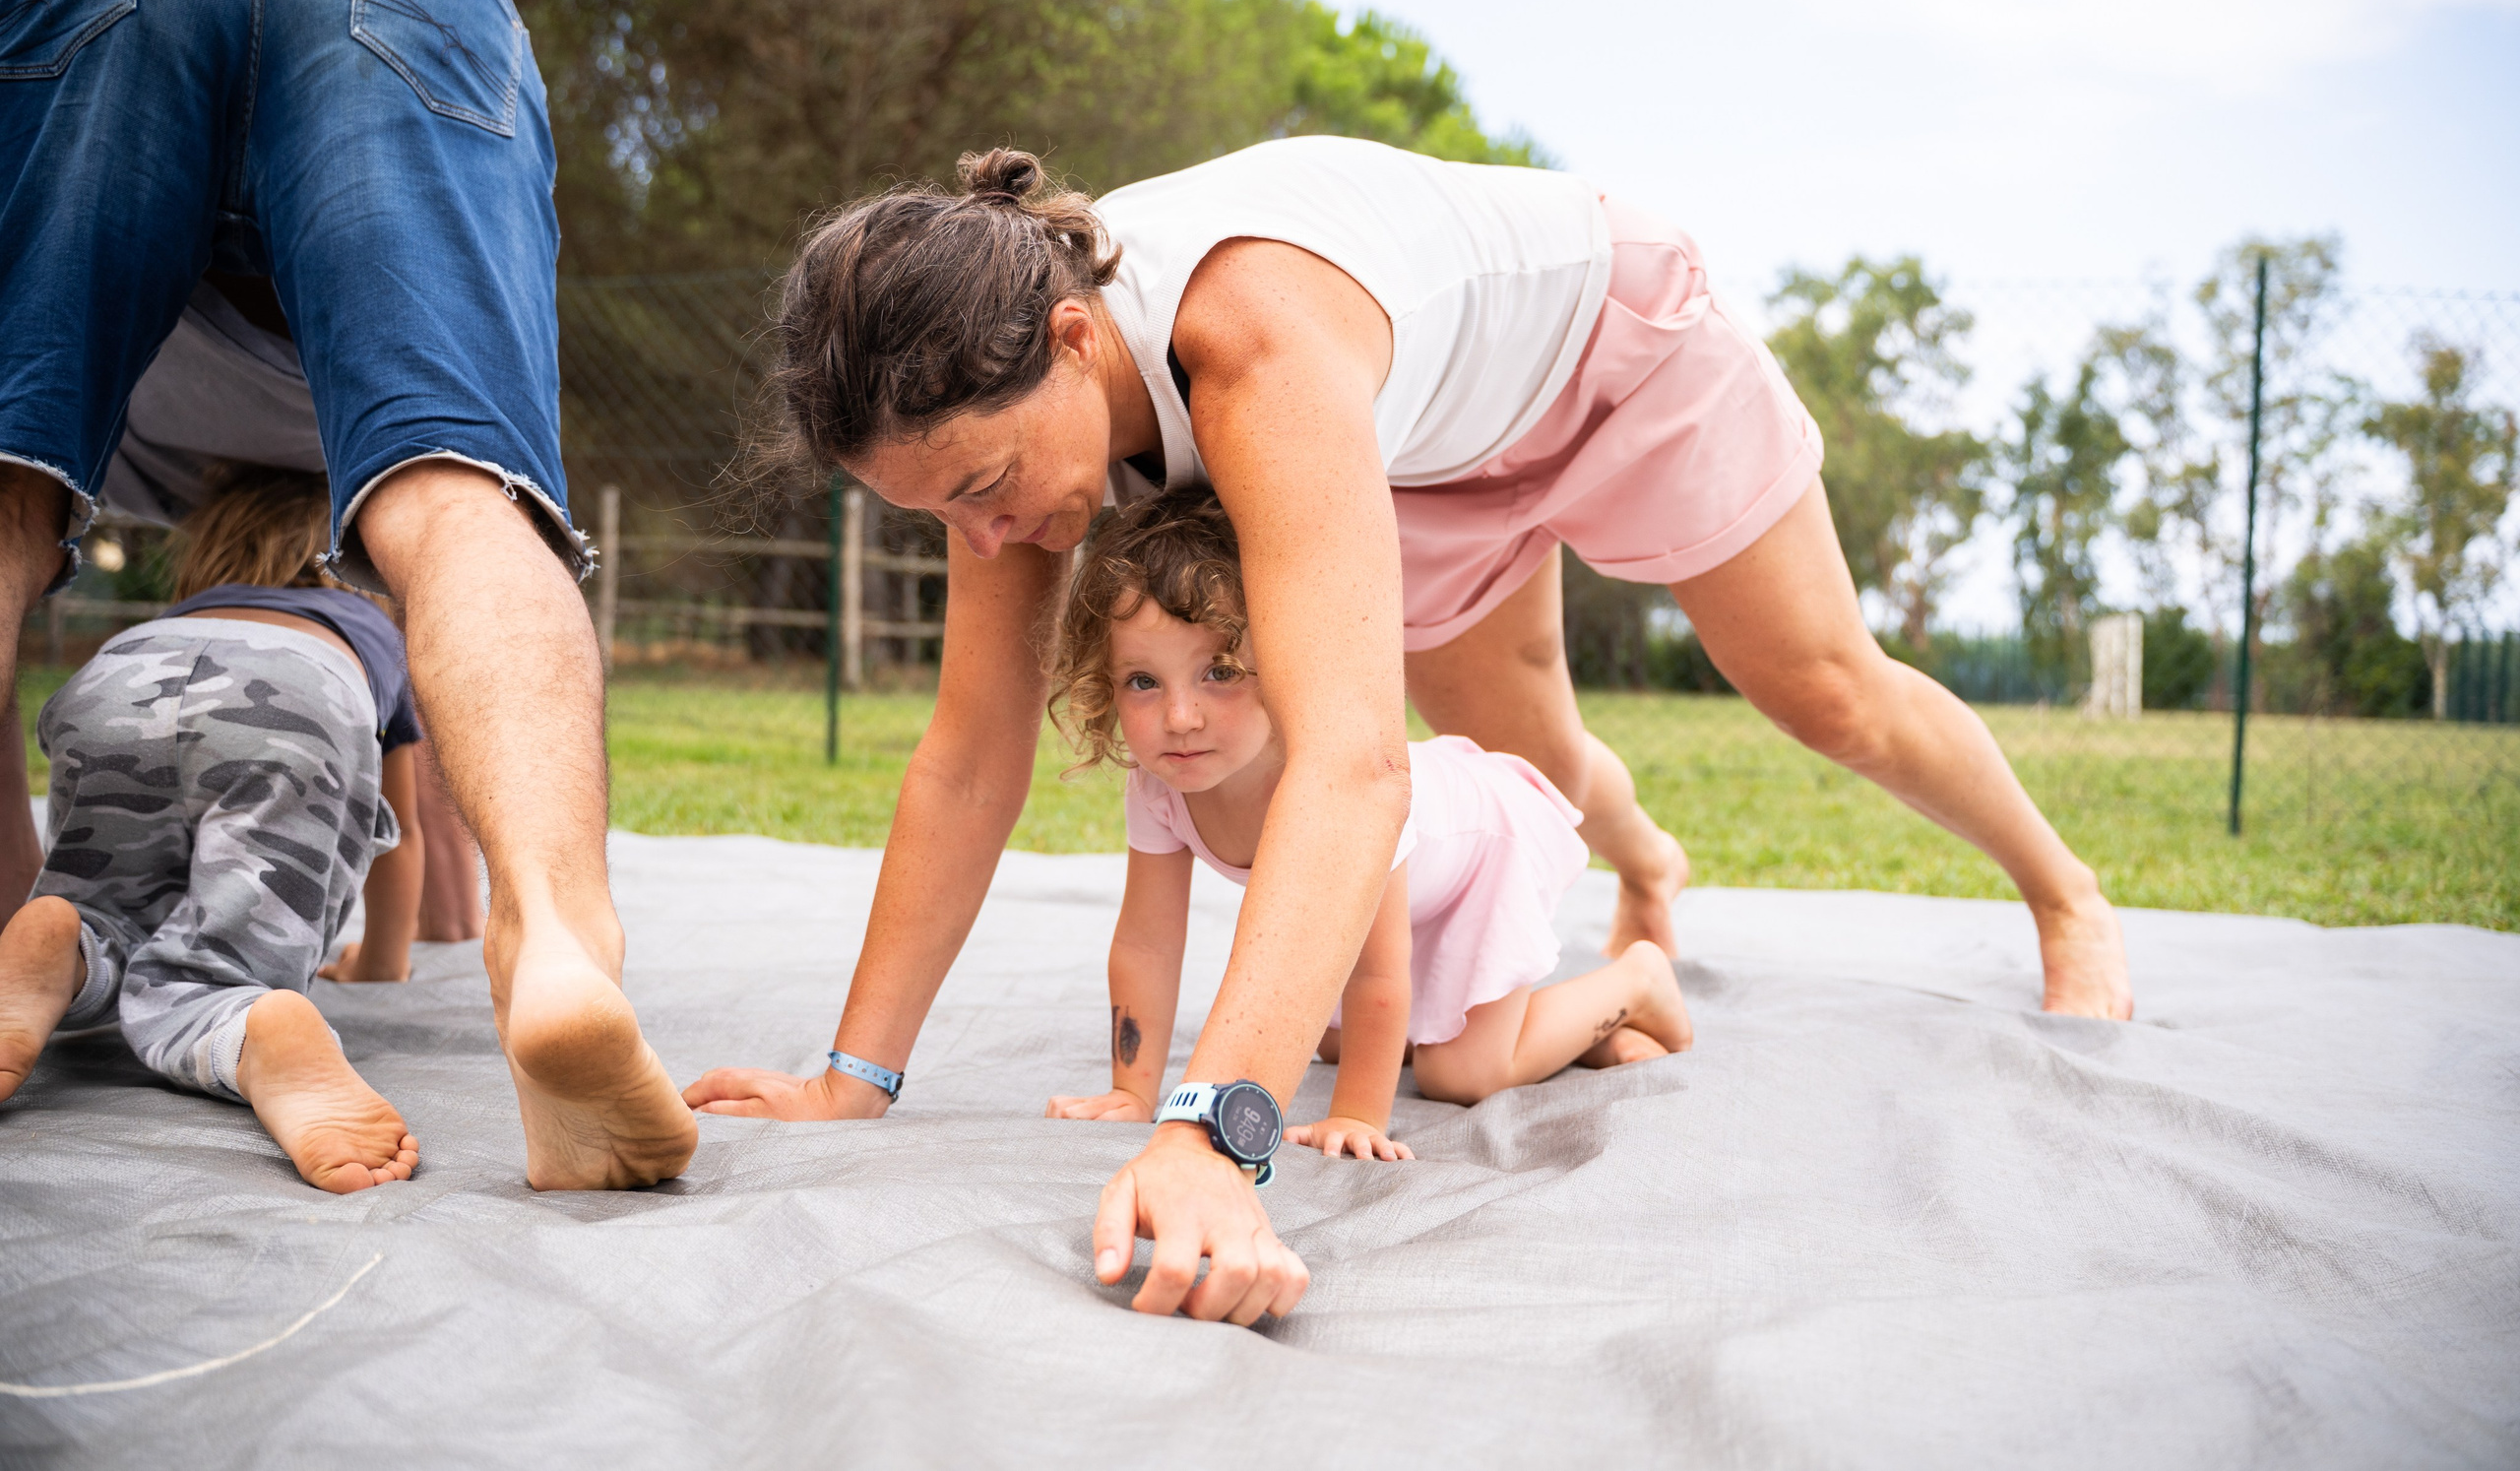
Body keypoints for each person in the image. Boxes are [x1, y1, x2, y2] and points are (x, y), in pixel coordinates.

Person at [682, 139, 2133, 1321]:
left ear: (1073, 342)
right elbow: (968, 751)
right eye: (938, 513)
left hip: (1604, 357)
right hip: (1425, 444)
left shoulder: (1249, 345)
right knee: (1530, 759)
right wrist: (851, 1076)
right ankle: (1649, 862)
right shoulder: (996, 415)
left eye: (987, 484)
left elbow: (1351, 768)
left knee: (1823, 683)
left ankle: (2069, 895)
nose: (984, 535)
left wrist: (1207, 1130)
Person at [0, 0, 694, 1188]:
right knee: (455, 502)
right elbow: (410, 817)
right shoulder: (354, 589)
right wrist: (431, 929)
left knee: (11, 478)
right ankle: (553, 947)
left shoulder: (189, 539)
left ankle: (38, 933)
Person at [1038, 491, 1691, 1167]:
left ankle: (1636, 982)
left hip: (1481, 857)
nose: (1179, 716)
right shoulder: (1158, 785)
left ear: (1283, 661)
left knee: (1459, 1074)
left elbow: (1379, 974)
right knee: (1327, 1037)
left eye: (1220, 672)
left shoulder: (1334, 779)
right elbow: (1146, 943)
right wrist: (1132, 1092)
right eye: (1143, 681)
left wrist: (1355, 1112)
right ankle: (1586, 1034)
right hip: (1403, 896)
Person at [0, 469, 422, 1191]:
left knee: (114, 889)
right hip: (299, 688)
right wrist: (382, 960)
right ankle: (247, 1016)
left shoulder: (193, 607)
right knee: (231, 949)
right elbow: (404, 834)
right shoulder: (370, 630)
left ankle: (68, 939)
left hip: (121, 676)